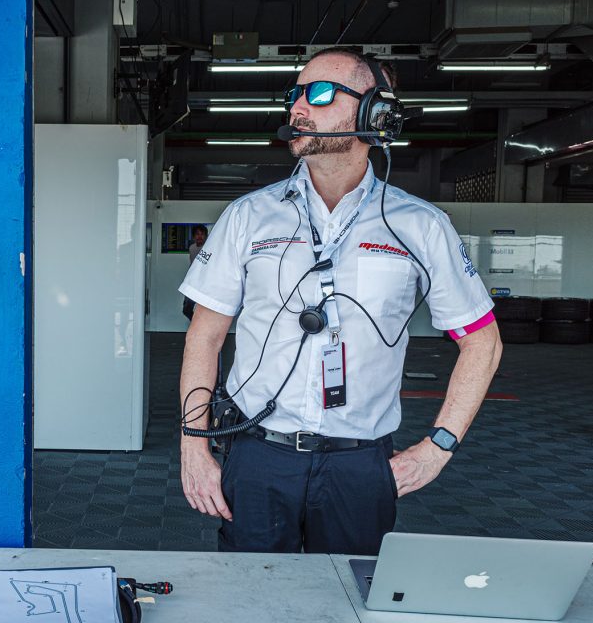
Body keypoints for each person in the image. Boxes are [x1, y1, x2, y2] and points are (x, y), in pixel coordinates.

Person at [178, 48, 502, 555]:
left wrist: (438, 448)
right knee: (250, 609)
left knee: (353, 613)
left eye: (320, 93)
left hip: (359, 465)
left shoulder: (421, 225)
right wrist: (193, 448)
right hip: (258, 454)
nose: (298, 108)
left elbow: (482, 341)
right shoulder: (248, 217)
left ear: (374, 113)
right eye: (295, 94)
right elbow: (205, 336)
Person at [183, 225, 209, 321]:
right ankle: (198, 325)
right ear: (193, 236)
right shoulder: (192, 248)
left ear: (206, 236)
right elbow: (192, 265)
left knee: (205, 310)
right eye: (197, 234)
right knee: (186, 309)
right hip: (192, 282)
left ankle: (201, 328)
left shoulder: (209, 248)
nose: (200, 237)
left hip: (204, 284)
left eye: (202, 234)